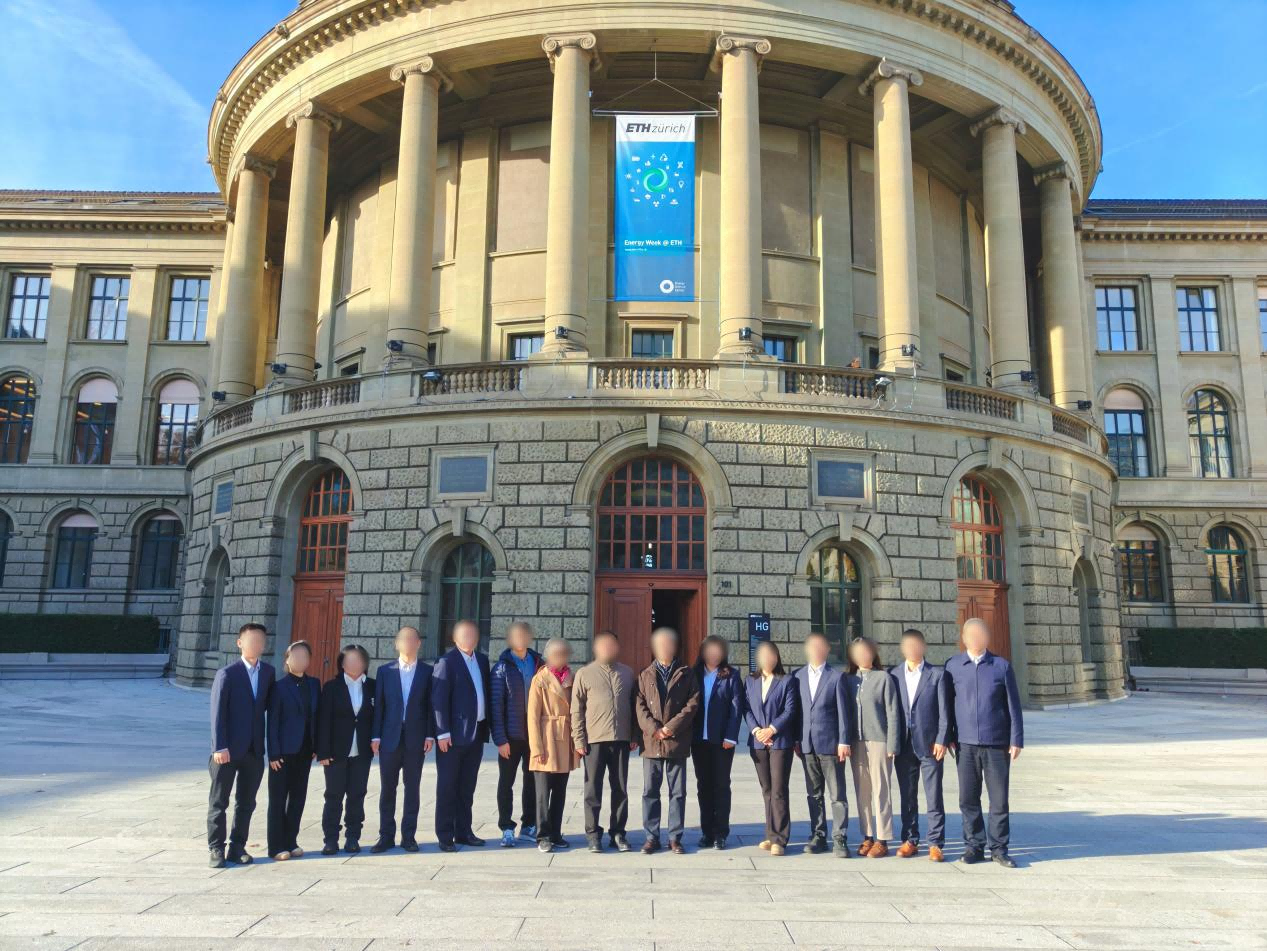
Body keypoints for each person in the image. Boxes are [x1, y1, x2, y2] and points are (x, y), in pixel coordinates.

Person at [944, 617, 1024, 868]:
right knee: (968, 799)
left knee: (999, 800)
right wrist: (948, 736)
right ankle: (974, 847)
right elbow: (946, 705)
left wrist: (1016, 739)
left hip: (996, 744)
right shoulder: (953, 666)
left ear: (987, 638)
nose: (976, 639)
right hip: (965, 744)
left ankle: (999, 849)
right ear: (964, 638)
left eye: (981, 635)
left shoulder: (1001, 666)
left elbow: (1013, 706)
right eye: (971, 635)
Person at [207, 622, 275, 868]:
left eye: (260, 641)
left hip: (254, 751)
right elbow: (217, 712)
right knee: (219, 802)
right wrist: (219, 746)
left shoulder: (268, 673)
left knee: (246, 803)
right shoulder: (227, 673)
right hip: (227, 751)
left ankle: (237, 847)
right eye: (251, 640)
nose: (256, 644)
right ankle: (216, 848)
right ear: (240, 643)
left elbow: (270, 709)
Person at [634, 627, 701, 854]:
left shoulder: (686, 673)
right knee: (650, 792)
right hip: (652, 742)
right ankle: (651, 837)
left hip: (677, 741)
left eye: (668, 643)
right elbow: (639, 706)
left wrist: (671, 728)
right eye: (660, 644)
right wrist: (654, 729)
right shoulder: (644, 674)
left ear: (675, 646)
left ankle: (674, 837)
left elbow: (692, 704)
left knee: (677, 792)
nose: (664, 648)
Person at [571, 629, 637, 853]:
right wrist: (579, 739)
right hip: (594, 741)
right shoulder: (584, 673)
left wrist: (634, 735)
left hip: (621, 739)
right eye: (604, 645)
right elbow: (576, 710)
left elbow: (635, 706)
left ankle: (618, 833)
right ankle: (592, 834)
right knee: (592, 789)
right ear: (596, 648)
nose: (608, 649)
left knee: (620, 789)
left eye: (612, 645)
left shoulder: (627, 673)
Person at [370, 626, 434, 853]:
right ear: (397, 644)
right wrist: (376, 735)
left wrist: (429, 734)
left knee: (412, 788)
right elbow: (380, 706)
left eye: (412, 639)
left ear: (418, 643)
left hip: (416, 738)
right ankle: (386, 836)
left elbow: (430, 706)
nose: (408, 643)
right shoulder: (385, 671)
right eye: (403, 639)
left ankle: (409, 836)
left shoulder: (428, 671)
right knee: (388, 788)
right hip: (389, 738)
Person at [889, 629, 951, 861]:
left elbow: (945, 711)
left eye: (917, 645)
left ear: (924, 647)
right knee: (907, 796)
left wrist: (942, 739)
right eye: (908, 645)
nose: (912, 649)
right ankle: (910, 840)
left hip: (930, 745)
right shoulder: (893, 675)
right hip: (903, 745)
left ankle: (935, 843)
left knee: (934, 796)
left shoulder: (937, 674)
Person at [432, 619, 492, 852]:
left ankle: (464, 832)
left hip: (475, 734)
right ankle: (445, 835)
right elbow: (438, 699)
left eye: (473, 634)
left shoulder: (482, 661)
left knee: (467, 787)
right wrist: (442, 732)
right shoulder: (446, 662)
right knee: (447, 787)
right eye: (464, 635)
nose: (470, 638)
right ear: (455, 638)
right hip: (452, 737)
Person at [793, 632, 853, 857]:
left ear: (828, 650)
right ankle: (818, 836)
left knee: (837, 795)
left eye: (820, 646)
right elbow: (797, 711)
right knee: (814, 794)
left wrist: (844, 741)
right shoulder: (797, 676)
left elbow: (844, 712)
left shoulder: (836, 677)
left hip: (831, 744)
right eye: (812, 646)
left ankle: (840, 838)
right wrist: (796, 739)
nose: (816, 650)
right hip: (806, 744)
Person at [316, 643, 375, 855]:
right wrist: (322, 752)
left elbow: (378, 717)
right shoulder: (331, 687)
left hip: (362, 751)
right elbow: (323, 721)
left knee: (357, 795)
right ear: (341, 663)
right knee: (333, 795)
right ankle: (331, 839)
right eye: (349, 659)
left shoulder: (373, 686)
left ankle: (352, 837)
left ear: (365, 663)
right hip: (336, 752)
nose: (354, 663)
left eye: (358, 659)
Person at [743, 640, 799, 856]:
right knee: (766, 789)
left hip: (779, 742)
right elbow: (746, 708)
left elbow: (790, 710)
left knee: (778, 790)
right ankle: (770, 833)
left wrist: (772, 730)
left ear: (777, 657)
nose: (767, 658)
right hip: (758, 742)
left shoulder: (787, 681)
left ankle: (780, 839)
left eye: (771, 654)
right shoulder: (750, 681)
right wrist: (757, 730)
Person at [490, 621, 543, 847]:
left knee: (532, 781)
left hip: (534, 735)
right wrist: (500, 739)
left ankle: (529, 824)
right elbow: (495, 706)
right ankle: (506, 827)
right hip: (510, 736)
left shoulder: (539, 664)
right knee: (506, 782)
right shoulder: (501, 668)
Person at [846, 636, 901, 858]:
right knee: (863, 792)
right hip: (856, 742)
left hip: (879, 740)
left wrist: (892, 743)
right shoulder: (849, 680)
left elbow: (893, 712)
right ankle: (867, 836)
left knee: (881, 790)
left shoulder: (883, 678)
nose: (862, 656)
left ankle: (882, 839)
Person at [266, 640, 320, 861]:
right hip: (282, 753)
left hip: (305, 751)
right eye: (295, 656)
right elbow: (273, 723)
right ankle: (276, 846)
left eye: (304, 656)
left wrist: (316, 746)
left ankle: (291, 841)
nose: (300, 659)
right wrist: (273, 753)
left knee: (298, 798)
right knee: (278, 800)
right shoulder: (279, 687)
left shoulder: (314, 684)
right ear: (287, 660)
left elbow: (316, 717)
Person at [527, 637, 581, 854]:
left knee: (560, 790)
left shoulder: (572, 677)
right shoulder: (540, 679)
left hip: (565, 738)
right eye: (556, 654)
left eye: (564, 654)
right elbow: (532, 717)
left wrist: (577, 742)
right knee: (542, 793)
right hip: (547, 738)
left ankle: (556, 833)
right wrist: (537, 748)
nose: (560, 658)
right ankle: (543, 835)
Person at [690, 634, 742, 850]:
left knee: (721, 785)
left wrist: (731, 736)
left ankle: (721, 833)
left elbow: (736, 708)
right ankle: (707, 832)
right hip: (698, 740)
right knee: (703, 786)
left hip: (722, 741)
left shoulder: (731, 675)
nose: (713, 654)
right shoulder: (693, 674)